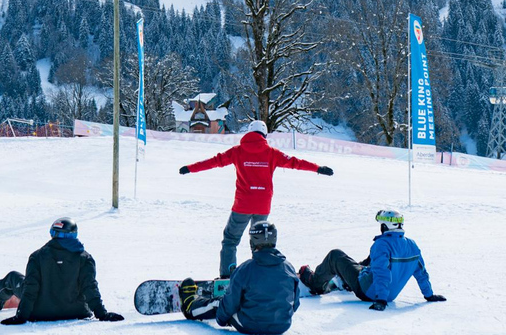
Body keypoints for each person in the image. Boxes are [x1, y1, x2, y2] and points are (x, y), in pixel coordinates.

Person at [179, 120, 334, 278]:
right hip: (262, 206)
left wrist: (190, 168)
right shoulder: (272, 153)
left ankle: (227, 277)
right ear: (264, 134)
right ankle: (260, 276)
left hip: (242, 205)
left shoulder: (237, 151)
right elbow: (295, 163)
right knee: (260, 244)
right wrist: (318, 168)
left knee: (230, 241)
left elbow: (214, 161)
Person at [0, 217, 124, 325]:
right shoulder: (85, 258)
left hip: (39, 312)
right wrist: (102, 314)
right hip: (77, 311)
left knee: (12, 277)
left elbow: (31, 289)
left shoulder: (37, 256)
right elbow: (90, 287)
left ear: (53, 233)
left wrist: (21, 317)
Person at [298, 209, 446, 311]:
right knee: (365, 263)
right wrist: (429, 295)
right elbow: (421, 272)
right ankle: (345, 282)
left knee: (335, 255)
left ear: (384, 226)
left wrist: (380, 300)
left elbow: (382, 273)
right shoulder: (412, 245)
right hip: (389, 294)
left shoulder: (381, 244)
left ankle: (314, 283)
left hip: (370, 291)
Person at [180, 221, 300, 334]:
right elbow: (295, 304)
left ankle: (190, 307)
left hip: (249, 325)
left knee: (218, 304)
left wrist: (222, 319)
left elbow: (229, 304)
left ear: (252, 242)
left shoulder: (245, 269)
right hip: (281, 326)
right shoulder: (289, 268)